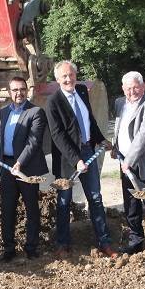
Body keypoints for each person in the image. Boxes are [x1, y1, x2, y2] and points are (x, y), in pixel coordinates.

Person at [46, 60, 115, 258]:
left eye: (71, 75)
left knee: (95, 197)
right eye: (64, 76)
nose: (69, 79)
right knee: (64, 200)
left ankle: (105, 242)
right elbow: (57, 135)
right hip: (67, 157)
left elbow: (89, 120)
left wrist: (101, 139)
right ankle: (62, 244)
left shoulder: (83, 91)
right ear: (57, 79)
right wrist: (76, 160)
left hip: (87, 152)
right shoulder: (53, 102)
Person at [0, 76, 49, 261]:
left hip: (27, 168)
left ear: (27, 90)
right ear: (9, 92)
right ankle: (9, 249)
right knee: (7, 208)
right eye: (15, 90)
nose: (18, 93)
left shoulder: (36, 112)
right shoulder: (5, 111)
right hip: (7, 166)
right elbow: (0, 134)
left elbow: (33, 142)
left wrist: (20, 163)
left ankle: (31, 247)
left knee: (31, 208)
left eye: (22, 89)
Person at [112, 71, 145, 259]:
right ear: (123, 89)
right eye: (128, 88)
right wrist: (115, 148)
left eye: (136, 87)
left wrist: (129, 160)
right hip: (125, 163)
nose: (132, 91)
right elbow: (118, 127)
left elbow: (143, 136)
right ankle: (135, 241)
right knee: (131, 205)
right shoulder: (120, 103)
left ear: (143, 87)